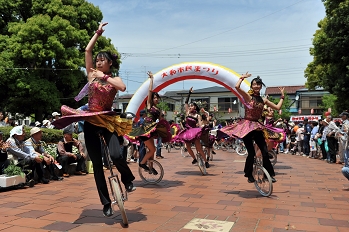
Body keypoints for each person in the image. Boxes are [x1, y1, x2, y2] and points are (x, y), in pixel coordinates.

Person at [52, 22, 135, 217]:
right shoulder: (91, 76)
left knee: (116, 155)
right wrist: (98, 33)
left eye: (102, 60)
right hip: (90, 120)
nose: (97, 63)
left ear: (109, 64)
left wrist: (104, 77)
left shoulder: (113, 79)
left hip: (107, 120)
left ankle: (128, 179)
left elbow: (121, 88)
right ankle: (105, 203)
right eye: (97, 60)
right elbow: (87, 50)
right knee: (97, 165)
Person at [217, 73, 285, 183]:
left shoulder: (264, 100)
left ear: (261, 86)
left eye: (258, 84)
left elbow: (278, 107)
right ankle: (249, 174)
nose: (257, 86)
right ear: (251, 86)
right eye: (254, 84)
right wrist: (242, 78)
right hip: (246, 127)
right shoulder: (249, 97)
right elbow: (237, 87)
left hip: (257, 126)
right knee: (251, 153)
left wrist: (282, 96)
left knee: (264, 151)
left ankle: (268, 175)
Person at [128, 71, 171, 173]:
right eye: (154, 97)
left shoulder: (159, 109)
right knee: (152, 150)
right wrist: (151, 79)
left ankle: (150, 167)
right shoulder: (149, 106)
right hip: (145, 128)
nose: (156, 99)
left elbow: (161, 121)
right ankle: (142, 163)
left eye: (157, 98)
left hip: (152, 129)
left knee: (152, 150)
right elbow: (150, 91)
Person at [174, 87, 211, 168]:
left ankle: (206, 161)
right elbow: (186, 102)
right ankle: (194, 158)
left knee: (199, 148)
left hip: (194, 132)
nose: (190, 107)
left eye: (192, 106)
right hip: (187, 131)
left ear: (195, 107)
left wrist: (203, 127)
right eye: (189, 106)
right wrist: (189, 92)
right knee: (187, 147)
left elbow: (200, 124)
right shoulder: (187, 113)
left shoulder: (197, 115)